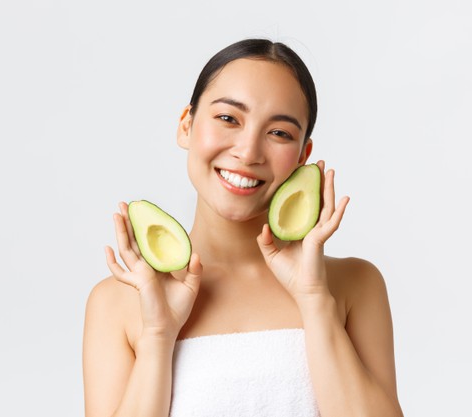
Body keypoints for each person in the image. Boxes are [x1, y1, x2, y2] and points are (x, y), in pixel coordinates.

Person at [83, 38, 403, 417]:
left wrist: (315, 299)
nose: (249, 152)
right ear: (186, 125)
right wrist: (157, 336)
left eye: (279, 133)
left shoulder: (355, 284)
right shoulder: (117, 302)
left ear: (302, 155)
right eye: (228, 118)